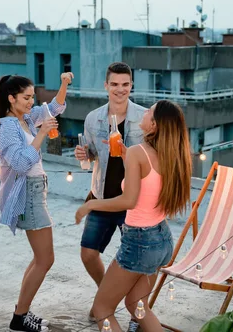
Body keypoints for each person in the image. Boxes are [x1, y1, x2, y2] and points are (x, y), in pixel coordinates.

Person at [75, 100, 193, 332]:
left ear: (154, 125)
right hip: (162, 240)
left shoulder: (140, 152)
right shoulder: (171, 156)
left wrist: (90, 206)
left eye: (150, 111)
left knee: (102, 309)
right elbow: (150, 175)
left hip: (140, 241)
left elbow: (128, 201)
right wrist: (127, 155)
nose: (145, 111)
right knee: (136, 305)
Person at [0, 72, 73, 332]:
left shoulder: (24, 118)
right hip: (28, 195)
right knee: (45, 259)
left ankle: (20, 312)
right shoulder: (7, 128)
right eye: (26, 97)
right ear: (11, 99)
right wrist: (42, 134)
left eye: (32, 96)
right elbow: (23, 163)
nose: (31, 101)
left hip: (37, 191)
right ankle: (19, 317)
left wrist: (63, 84)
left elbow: (55, 108)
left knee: (40, 258)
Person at [73, 62, 146, 328]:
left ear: (131, 86)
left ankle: (137, 314)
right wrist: (85, 153)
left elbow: (152, 158)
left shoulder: (145, 117)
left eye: (125, 84)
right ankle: (107, 296)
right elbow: (91, 152)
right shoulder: (93, 118)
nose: (120, 90)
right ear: (106, 86)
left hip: (133, 200)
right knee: (88, 253)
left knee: (135, 262)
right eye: (114, 84)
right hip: (102, 195)